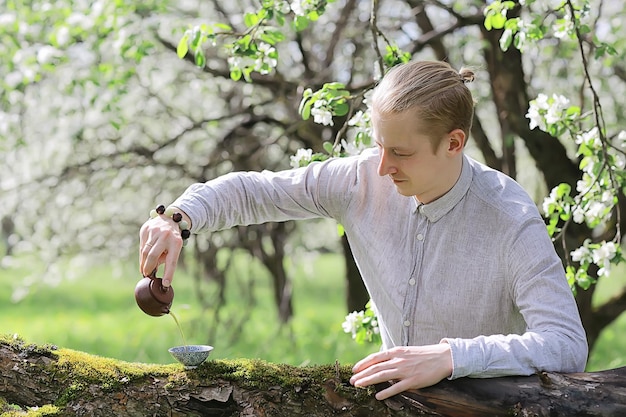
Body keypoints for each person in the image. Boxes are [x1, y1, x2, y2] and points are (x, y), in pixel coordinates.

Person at [139, 60, 588, 400]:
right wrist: (177, 217)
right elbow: (254, 192)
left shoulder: (509, 218)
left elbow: (566, 343)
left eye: (401, 152)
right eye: (377, 145)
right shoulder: (362, 179)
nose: (383, 166)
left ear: (454, 143)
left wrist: (452, 357)